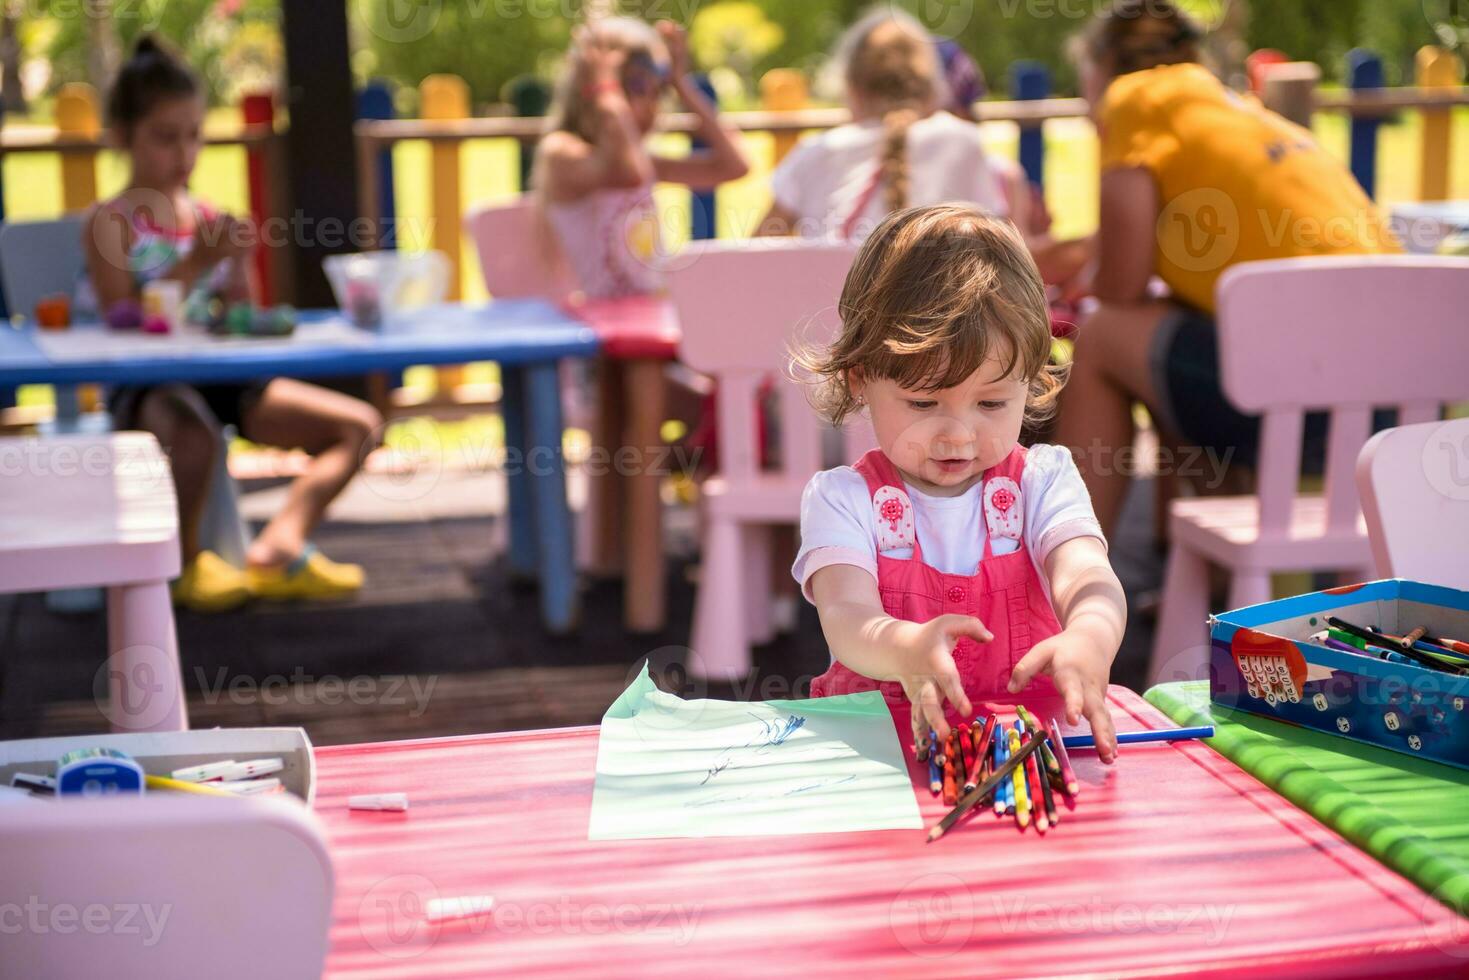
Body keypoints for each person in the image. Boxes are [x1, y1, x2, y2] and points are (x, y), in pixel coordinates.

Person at [1050, 0, 1400, 533]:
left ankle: (1063, 571)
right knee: (1170, 333)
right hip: (1395, 418)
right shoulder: (1240, 114)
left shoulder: (1134, 98)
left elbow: (1120, 286)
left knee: (1103, 338)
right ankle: (1203, 570)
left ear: (1101, 70)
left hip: (1308, 416)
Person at [793, 204, 1124, 761]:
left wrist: (1090, 634)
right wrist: (903, 647)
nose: (958, 435)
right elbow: (846, 615)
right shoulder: (844, 500)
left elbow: (1088, 575)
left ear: (1031, 380)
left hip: (1026, 752)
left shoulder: (1041, 482)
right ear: (860, 381)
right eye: (924, 402)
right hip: (880, 759)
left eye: (992, 403)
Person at [81, 35, 381, 611]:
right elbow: (122, 321)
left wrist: (238, 263)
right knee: (192, 437)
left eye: (194, 134)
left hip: (222, 378)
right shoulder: (110, 223)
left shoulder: (208, 217)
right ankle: (189, 565)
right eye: (166, 138)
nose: (185, 153)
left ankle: (279, 543)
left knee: (358, 426)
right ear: (123, 138)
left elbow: (244, 319)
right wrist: (195, 264)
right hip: (148, 386)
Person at [758, 9, 1034, 243]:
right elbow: (1002, 252)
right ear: (932, 87)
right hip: (945, 306)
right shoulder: (963, 142)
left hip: (832, 305)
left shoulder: (815, 153)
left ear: (852, 88)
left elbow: (758, 248)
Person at [535, 17, 749, 296]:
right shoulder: (561, 152)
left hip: (651, 316)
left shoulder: (642, 159)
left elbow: (734, 166)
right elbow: (629, 174)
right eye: (635, 87)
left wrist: (681, 83)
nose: (651, 103)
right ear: (590, 91)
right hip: (602, 325)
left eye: (657, 90)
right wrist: (606, 93)